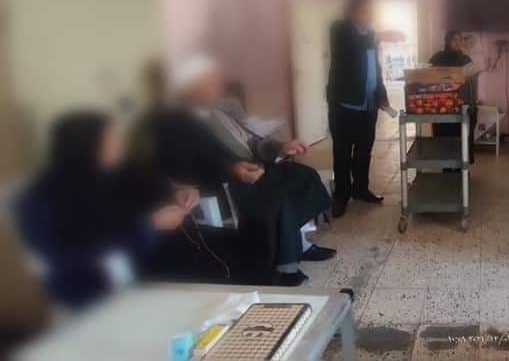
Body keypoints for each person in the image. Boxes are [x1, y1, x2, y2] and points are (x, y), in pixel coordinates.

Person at [169, 55, 336, 287]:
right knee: (278, 194)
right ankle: (286, 265)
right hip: (225, 183)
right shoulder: (178, 123)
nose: (219, 86)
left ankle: (298, 243)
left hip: (252, 167)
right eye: (211, 82)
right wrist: (231, 169)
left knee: (304, 176)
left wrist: (281, 146)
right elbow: (186, 166)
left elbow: (252, 141)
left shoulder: (217, 113)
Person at [15, 112, 200, 308]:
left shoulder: (114, 173)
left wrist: (176, 193)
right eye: (112, 141)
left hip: (146, 272)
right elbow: (77, 255)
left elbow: (152, 188)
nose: (120, 145)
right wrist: (149, 226)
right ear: (85, 146)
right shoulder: (44, 197)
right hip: (90, 292)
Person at [327, 0, 389, 217]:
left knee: (364, 151)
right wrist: (378, 37)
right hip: (344, 105)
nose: (370, 13)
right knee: (342, 152)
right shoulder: (340, 29)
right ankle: (341, 195)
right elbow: (352, 46)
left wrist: (381, 94)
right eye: (365, 9)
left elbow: (375, 67)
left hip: (368, 105)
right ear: (353, 11)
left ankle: (361, 189)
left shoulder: (370, 33)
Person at [428, 29, 478, 161]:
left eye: (460, 39)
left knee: (462, 139)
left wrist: (473, 104)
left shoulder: (466, 59)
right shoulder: (437, 58)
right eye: (454, 39)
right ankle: (446, 167)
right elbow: (429, 79)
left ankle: (462, 168)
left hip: (462, 106)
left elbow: (472, 82)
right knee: (444, 139)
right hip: (442, 105)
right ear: (448, 41)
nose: (458, 42)